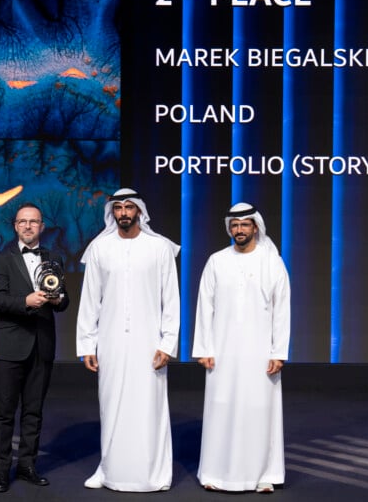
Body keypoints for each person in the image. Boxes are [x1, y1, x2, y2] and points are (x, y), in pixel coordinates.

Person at [76, 188, 181, 492]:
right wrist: (87, 344)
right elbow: (90, 300)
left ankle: (154, 473)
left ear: (139, 211)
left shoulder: (159, 248)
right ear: (112, 212)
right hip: (110, 341)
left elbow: (171, 301)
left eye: (129, 207)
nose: (123, 213)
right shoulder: (100, 248)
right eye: (118, 208)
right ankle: (108, 469)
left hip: (150, 343)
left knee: (148, 407)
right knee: (110, 404)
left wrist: (168, 343)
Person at [192, 202, 291, 494]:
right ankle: (214, 472)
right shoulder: (217, 261)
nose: (239, 230)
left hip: (260, 353)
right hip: (222, 352)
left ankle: (264, 474)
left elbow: (282, 309)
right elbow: (205, 306)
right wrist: (204, 348)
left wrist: (278, 351)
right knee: (220, 409)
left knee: (260, 411)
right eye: (234, 225)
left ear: (255, 227)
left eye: (245, 224)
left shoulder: (272, 262)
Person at [0, 202, 69, 493]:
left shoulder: (54, 257)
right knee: (5, 412)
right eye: (23, 221)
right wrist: (26, 301)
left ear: (42, 227)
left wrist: (58, 300)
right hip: (9, 347)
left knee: (34, 412)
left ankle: (27, 466)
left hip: (42, 346)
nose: (28, 226)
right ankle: (1, 472)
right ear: (15, 226)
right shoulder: (1, 259)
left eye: (33, 221)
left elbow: (64, 299)